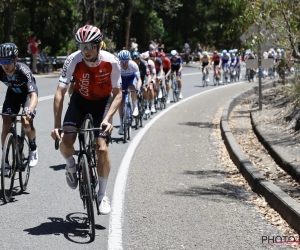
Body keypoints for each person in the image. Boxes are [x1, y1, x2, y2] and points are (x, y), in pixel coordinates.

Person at [50, 24, 122, 215]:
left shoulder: (111, 61)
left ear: (99, 45)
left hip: (102, 103)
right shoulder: (73, 60)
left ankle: (102, 195)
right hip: (80, 101)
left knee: (101, 148)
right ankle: (71, 166)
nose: (86, 50)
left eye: (90, 45)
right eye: (82, 46)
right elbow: (60, 93)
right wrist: (56, 126)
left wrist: (107, 119)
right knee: (65, 141)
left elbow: (118, 94)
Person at [0, 43, 39, 171]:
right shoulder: (1, 70)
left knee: (25, 121)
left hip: (27, 96)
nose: (5, 65)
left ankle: (33, 147)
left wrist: (30, 109)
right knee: (6, 122)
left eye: (8, 61)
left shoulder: (23, 71)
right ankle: (5, 159)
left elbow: (33, 95)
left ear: (15, 59)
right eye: (2, 61)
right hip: (13, 96)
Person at [118, 50, 142, 135]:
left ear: (129, 60)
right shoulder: (117, 65)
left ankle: (135, 106)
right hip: (122, 80)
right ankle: (121, 124)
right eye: (122, 61)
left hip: (131, 79)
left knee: (133, 87)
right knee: (120, 101)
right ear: (119, 60)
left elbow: (139, 79)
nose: (124, 63)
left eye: (126, 61)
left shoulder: (133, 65)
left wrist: (138, 88)